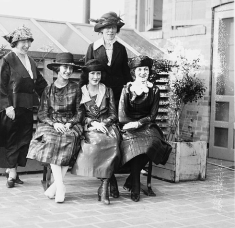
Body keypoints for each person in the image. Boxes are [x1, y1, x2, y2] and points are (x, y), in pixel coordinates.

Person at [0, 25, 48, 188]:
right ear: (15, 42)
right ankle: (12, 173)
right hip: (12, 109)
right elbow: (0, 86)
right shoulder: (7, 60)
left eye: (29, 42)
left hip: (27, 108)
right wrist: (7, 108)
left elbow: (40, 84)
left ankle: (12, 170)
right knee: (12, 141)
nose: (27, 45)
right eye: (23, 42)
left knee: (23, 140)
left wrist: (54, 93)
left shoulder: (30, 61)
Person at [85, 11, 132, 198]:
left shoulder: (121, 48)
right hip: (99, 96)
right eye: (107, 28)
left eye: (113, 28)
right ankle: (108, 179)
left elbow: (126, 73)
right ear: (101, 30)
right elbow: (88, 72)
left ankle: (111, 175)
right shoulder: (93, 47)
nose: (110, 31)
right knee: (101, 135)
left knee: (116, 134)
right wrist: (85, 95)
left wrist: (130, 88)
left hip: (117, 96)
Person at [27, 52, 83, 203]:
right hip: (51, 123)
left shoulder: (76, 88)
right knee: (51, 140)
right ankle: (61, 186)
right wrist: (54, 124)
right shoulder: (48, 90)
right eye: (64, 67)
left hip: (70, 123)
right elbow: (42, 113)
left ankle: (55, 187)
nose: (67, 71)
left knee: (70, 138)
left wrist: (69, 124)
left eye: (70, 68)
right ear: (58, 69)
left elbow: (79, 112)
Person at [118, 55, 172, 202]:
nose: (143, 72)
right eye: (140, 69)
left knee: (151, 143)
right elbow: (122, 116)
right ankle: (135, 182)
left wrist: (139, 123)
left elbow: (152, 115)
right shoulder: (127, 89)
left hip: (147, 125)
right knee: (134, 143)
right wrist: (132, 124)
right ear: (134, 72)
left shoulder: (154, 90)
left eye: (146, 69)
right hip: (128, 125)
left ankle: (132, 179)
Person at [71, 59, 121, 205]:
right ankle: (108, 181)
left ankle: (104, 187)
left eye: (98, 73)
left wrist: (103, 123)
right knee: (96, 143)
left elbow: (113, 114)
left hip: (106, 126)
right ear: (87, 75)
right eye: (92, 73)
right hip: (89, 127)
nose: (95, 77)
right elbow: (79, 115)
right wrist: (93, 123)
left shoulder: (107, 90)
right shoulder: (81, 92)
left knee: (111, 141)